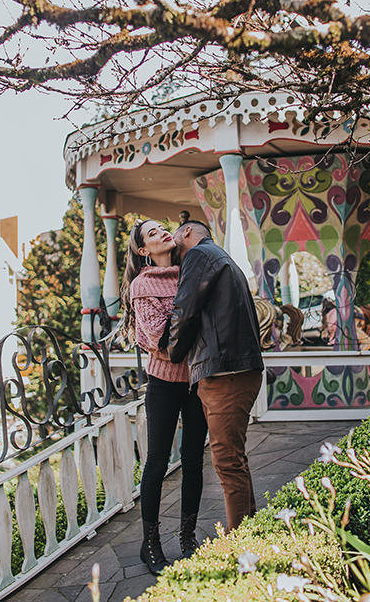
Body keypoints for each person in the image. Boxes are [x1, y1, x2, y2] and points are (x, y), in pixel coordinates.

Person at [121, 219, 208, 575]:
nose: (163, 233)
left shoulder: (190, 268)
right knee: (156, 462)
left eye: (162, 228)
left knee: (193, 460)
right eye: (153, 233)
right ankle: (151, 543)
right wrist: (190, 324)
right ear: (144, 251)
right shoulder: (144, 284)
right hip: (164, 383)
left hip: (197, 379)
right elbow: (159, 338)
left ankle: (187, 537)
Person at [168, 220, 264, 532]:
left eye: (172, 233)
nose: (170, 241)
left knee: (226, 463)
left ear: (187, 232)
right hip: (238, 370)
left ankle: (242, 547)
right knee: (235, 460)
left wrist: (171, 352)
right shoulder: (223, 258)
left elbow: (184, 311)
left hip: (225, 373)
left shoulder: (198, 255)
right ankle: (250, 532)